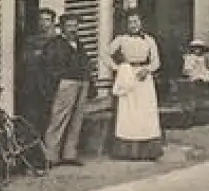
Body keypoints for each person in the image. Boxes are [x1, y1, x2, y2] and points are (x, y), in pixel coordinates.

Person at [107, 11, 164, 161]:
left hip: (144, 78)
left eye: (136, 22)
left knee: (145, 112)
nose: (134, 25)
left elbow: (156, 61)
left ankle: (147, 151)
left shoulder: (149, 40)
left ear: (141, 23)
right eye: (130, 22)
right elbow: (105, 54)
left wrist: (147, 69)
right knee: (128, 111)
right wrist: (118, 68)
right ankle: (127, 151)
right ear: (126, 24)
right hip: (127, 76)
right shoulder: (121, 39)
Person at [43, 12, 94, 167]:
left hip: (82, 82)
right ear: (63, 27)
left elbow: (85, 63)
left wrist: (89, 81)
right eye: (69, 26)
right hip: (66, 83)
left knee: (76, 119)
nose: (73, 29)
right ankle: (51, 156)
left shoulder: (79, 44)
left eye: (75, 25)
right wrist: (59, 80)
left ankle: (69, 154)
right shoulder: (55, 44)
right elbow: (49, 66)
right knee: (59, 118)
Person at [18, 7, 59, 137]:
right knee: (31, 117)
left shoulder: (58, 41)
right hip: (32, 85)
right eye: (41, 20)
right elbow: (25, 59)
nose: (43, 23)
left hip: (50, 85)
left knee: (49, 118)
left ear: (53, 22)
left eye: (47, 20)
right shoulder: (30, 40)